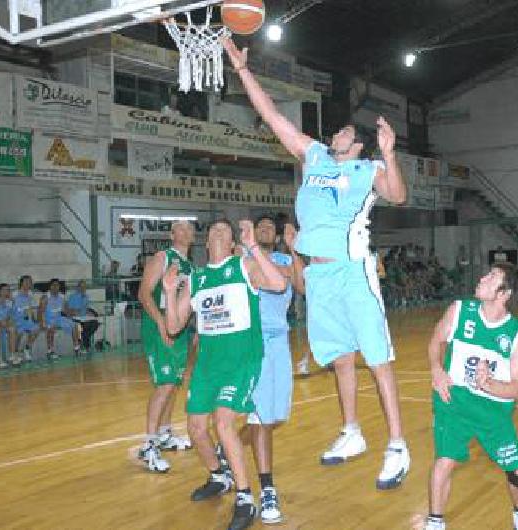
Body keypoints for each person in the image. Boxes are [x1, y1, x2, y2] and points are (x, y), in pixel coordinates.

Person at [223, 38, 411, 490]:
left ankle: (398, 446)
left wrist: (389, 153)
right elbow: (273, 117)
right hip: (319, 273)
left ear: (358, 144)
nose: (337, 133)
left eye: (345, 132)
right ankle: (352, 433)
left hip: (352, 270)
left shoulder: (367, 171)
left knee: (376, 358)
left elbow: (399, 195)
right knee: (339, 359)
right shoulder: (315, 157)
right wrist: (244, 71)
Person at [163, 218, 287, 530]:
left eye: (225, 230)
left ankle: (246, 498)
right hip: (207, 364)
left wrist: (254, 247)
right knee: (195, 428)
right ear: (206, 243)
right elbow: (174, 326)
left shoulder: (244, 266)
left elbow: (279, 284)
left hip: (241, 360)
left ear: (232, 242)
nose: (219, 231)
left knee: (223, 422)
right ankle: (219, 476)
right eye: (214, 229)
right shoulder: (197, 278)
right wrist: (167, 291)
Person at [423, 263, 518, 530]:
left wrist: (490, 384)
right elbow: (436, 340)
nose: (483, 278)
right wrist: (436, 368)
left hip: (494, 410)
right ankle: (435, 522)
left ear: (504, 293)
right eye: (487, 273)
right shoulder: (459, 310)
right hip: (454, 400)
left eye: (492, 277)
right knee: (445, 460)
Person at [236, 215, 305, 524]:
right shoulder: (243, 256)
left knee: (274, 417)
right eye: (259, 226)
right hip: (252, 340)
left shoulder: (280, 257)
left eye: (269, 227)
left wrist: (294, 251)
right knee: (262, 417)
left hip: (280, 341)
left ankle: (230, 446)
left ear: (276, 236)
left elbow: (299, 285)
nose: (264, 229)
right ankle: (267, 489)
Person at [137, 221, 196, 473]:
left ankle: (165, 433)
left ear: (193, 236)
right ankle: (149, 444)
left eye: (188, 229)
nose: (184, 232)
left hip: (180, 327)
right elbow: (144, 293)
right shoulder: (163, 257)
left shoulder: (191, 267)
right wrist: (161, 322)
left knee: (173, 382)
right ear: (172, 235)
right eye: (179, 229)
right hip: (158, 324)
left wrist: (194, 329)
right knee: (165, 384)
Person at [38, 278, 81, 360]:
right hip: (48, 319)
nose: (55, 287)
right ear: (50, 287)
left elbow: (65, 310)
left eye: (57, 285)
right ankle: (50, 351)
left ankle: (76, 347)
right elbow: (40, 312)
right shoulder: (45, 297)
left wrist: (72, 314)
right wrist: (42, 323)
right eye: (53, 285)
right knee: (50, 328)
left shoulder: (62, 296)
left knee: (75, 325)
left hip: (59, 318)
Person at [12, 275, 40, 364]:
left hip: (27, 320)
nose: (28, 283)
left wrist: (34, 318)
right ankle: (15, 353)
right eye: (26, 281)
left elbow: (30, 307)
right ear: (21, 283)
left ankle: (26, 349)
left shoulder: (30, 294)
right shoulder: (15, 294)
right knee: (19, 333)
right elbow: (10, 308)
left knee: (36, 329)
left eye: (30, 282)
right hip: (17, 320)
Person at [66, 280, 100, 352]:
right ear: (78, 288)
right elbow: (69, 310)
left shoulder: (86, 297)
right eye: (81, 287)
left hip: (84, 317)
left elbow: (86, 308)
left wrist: (89, 312)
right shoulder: (73, 296)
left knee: (95, 323)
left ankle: (84, 343)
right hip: (75, 318)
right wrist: (74, 312)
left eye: (84, 287)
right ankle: (85, 345)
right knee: (84, 326)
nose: (83, 289)